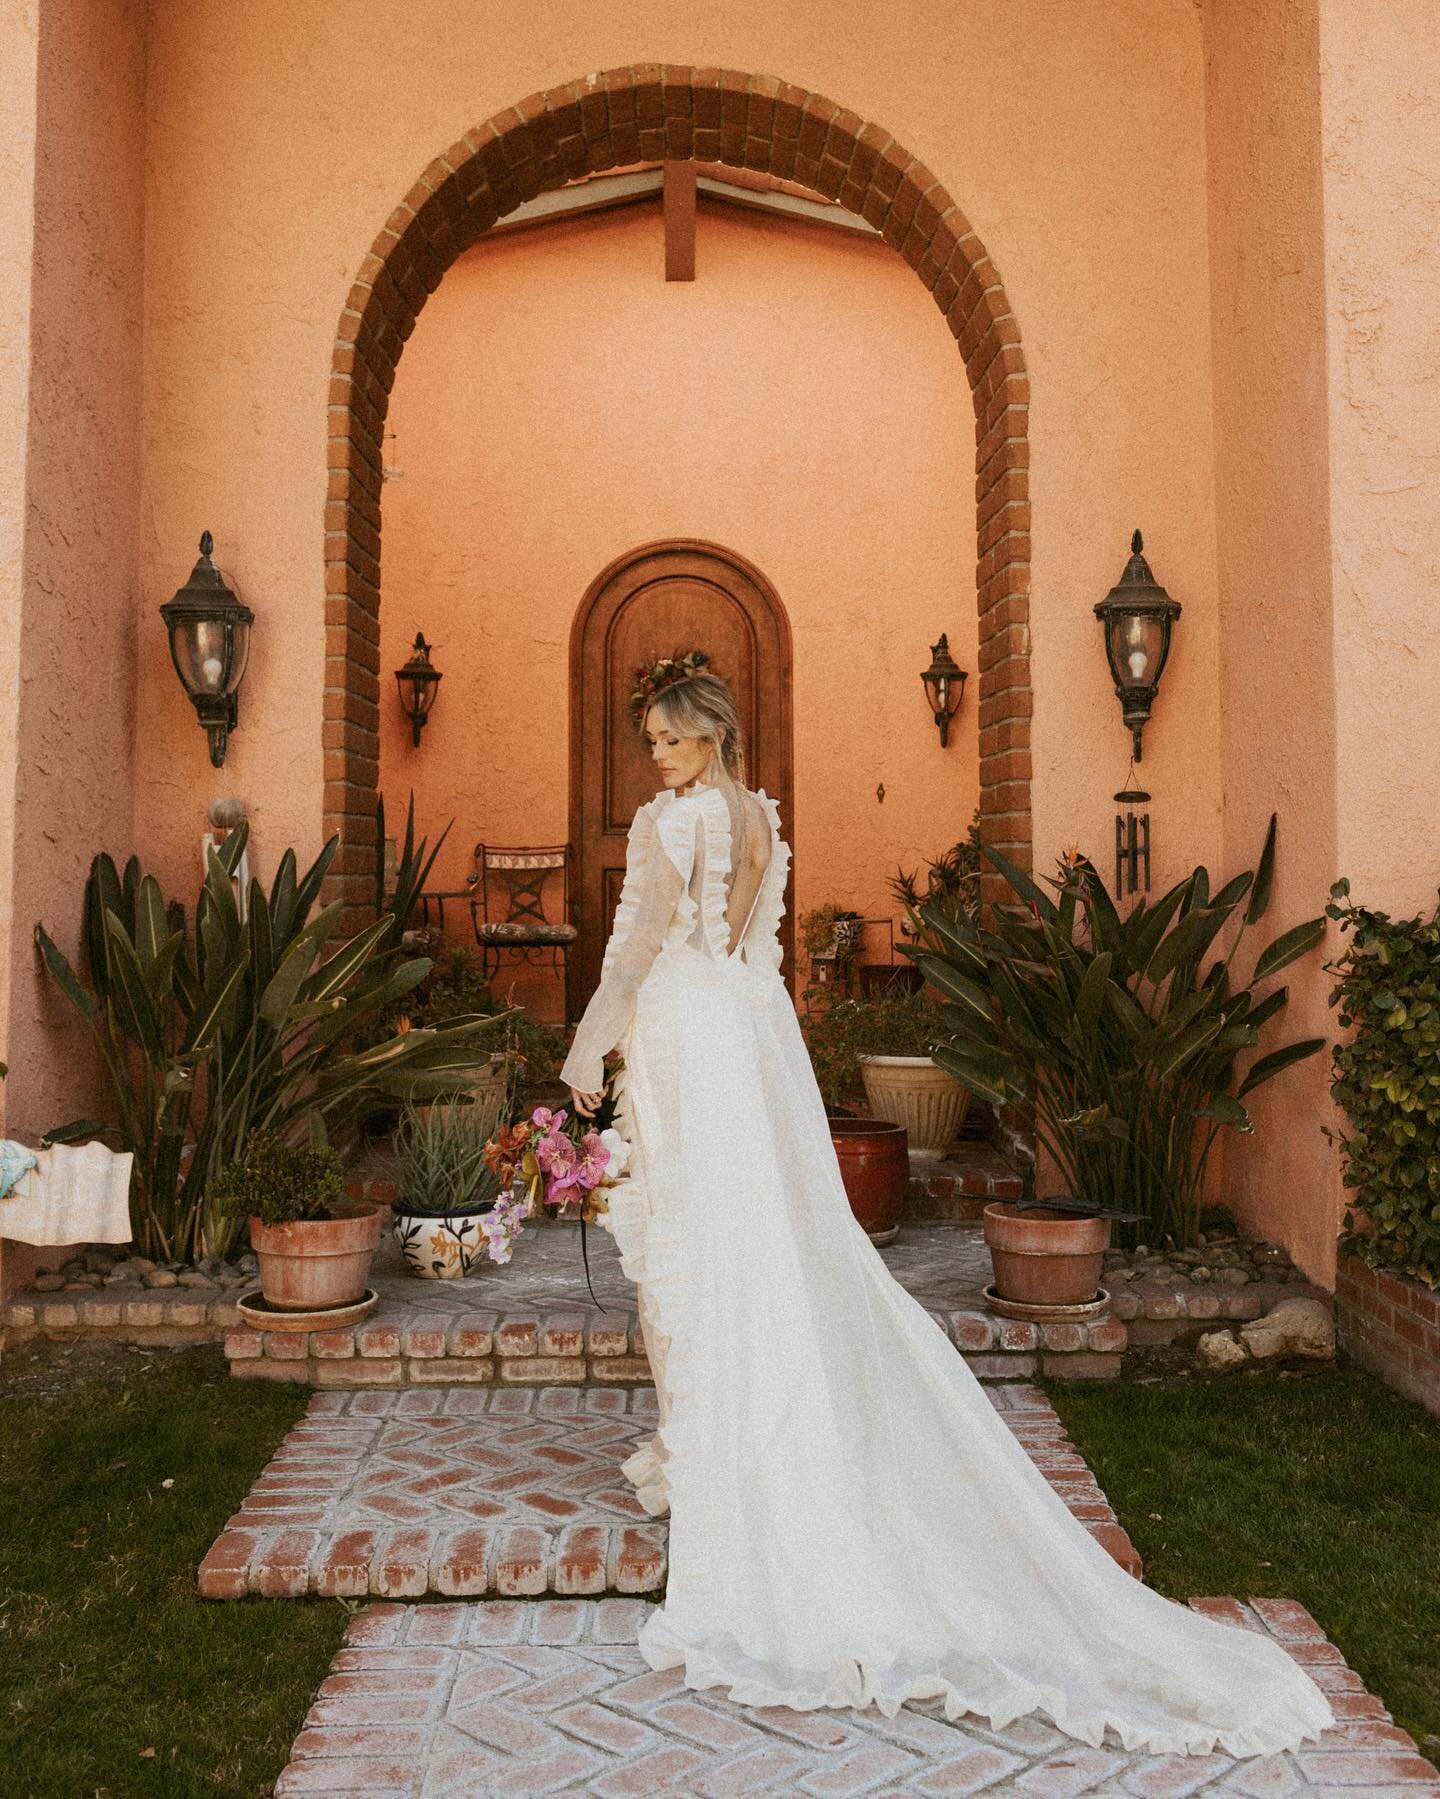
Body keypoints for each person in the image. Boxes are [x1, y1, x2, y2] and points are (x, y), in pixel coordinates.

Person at [557, 660, 1336, 1757]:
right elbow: (749, 948)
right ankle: (700, 1441)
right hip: (744, 1036)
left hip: (690, 1033)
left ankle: (698, 1450)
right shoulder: (760, 817)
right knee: (757, 1239)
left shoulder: (666, 823)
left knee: (687, 1240)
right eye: (652, 743)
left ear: (707, 737)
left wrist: (592, 1038)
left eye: (667, 741)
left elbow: (641, 944)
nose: (656, 757)